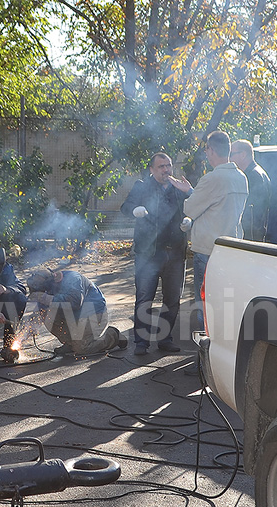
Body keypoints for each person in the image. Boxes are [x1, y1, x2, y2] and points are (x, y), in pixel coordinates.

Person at [170, 131, 249, 331]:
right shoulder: (241, 177)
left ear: (211, 150)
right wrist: (190, 190)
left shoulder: (212, 178)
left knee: (205, 306)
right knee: (226, 302)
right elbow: (217, 203)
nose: (206, 153)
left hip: (208, 252)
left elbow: (190, 209)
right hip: (231, 249)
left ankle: (204, 352)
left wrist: (189, 196)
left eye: (206, 149)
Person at [120, 152, 190, 355]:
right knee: (144, 298)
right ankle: (141, 343)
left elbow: (191, 209)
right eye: (161, 166)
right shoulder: (141, 187)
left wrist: (189, 221)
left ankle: (165, 339)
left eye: (168, 165)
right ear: (151, 170)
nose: (166, 170)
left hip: (175, 253)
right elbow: (125, 207)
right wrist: (135, 210)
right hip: (148, 254)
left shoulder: (178, 188)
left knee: (172, 300)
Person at [27, 268, 126, 356]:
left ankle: (113, 335)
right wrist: (23, 335)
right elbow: (39, 313)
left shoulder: (72, 278)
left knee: (83, 349)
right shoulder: (46, 288)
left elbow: (75, 302)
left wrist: (47, 298)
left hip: (93, 313)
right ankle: (70, 344)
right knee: (46, 314)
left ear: (54, 278)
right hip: (74, 317)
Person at [230, 139, 271, 241]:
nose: (229, 158)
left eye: (231, 154)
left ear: (243, 154)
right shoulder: (255, 173)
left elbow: (251, 211)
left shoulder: (253, 176)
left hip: (251, 237)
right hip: (254, 235)